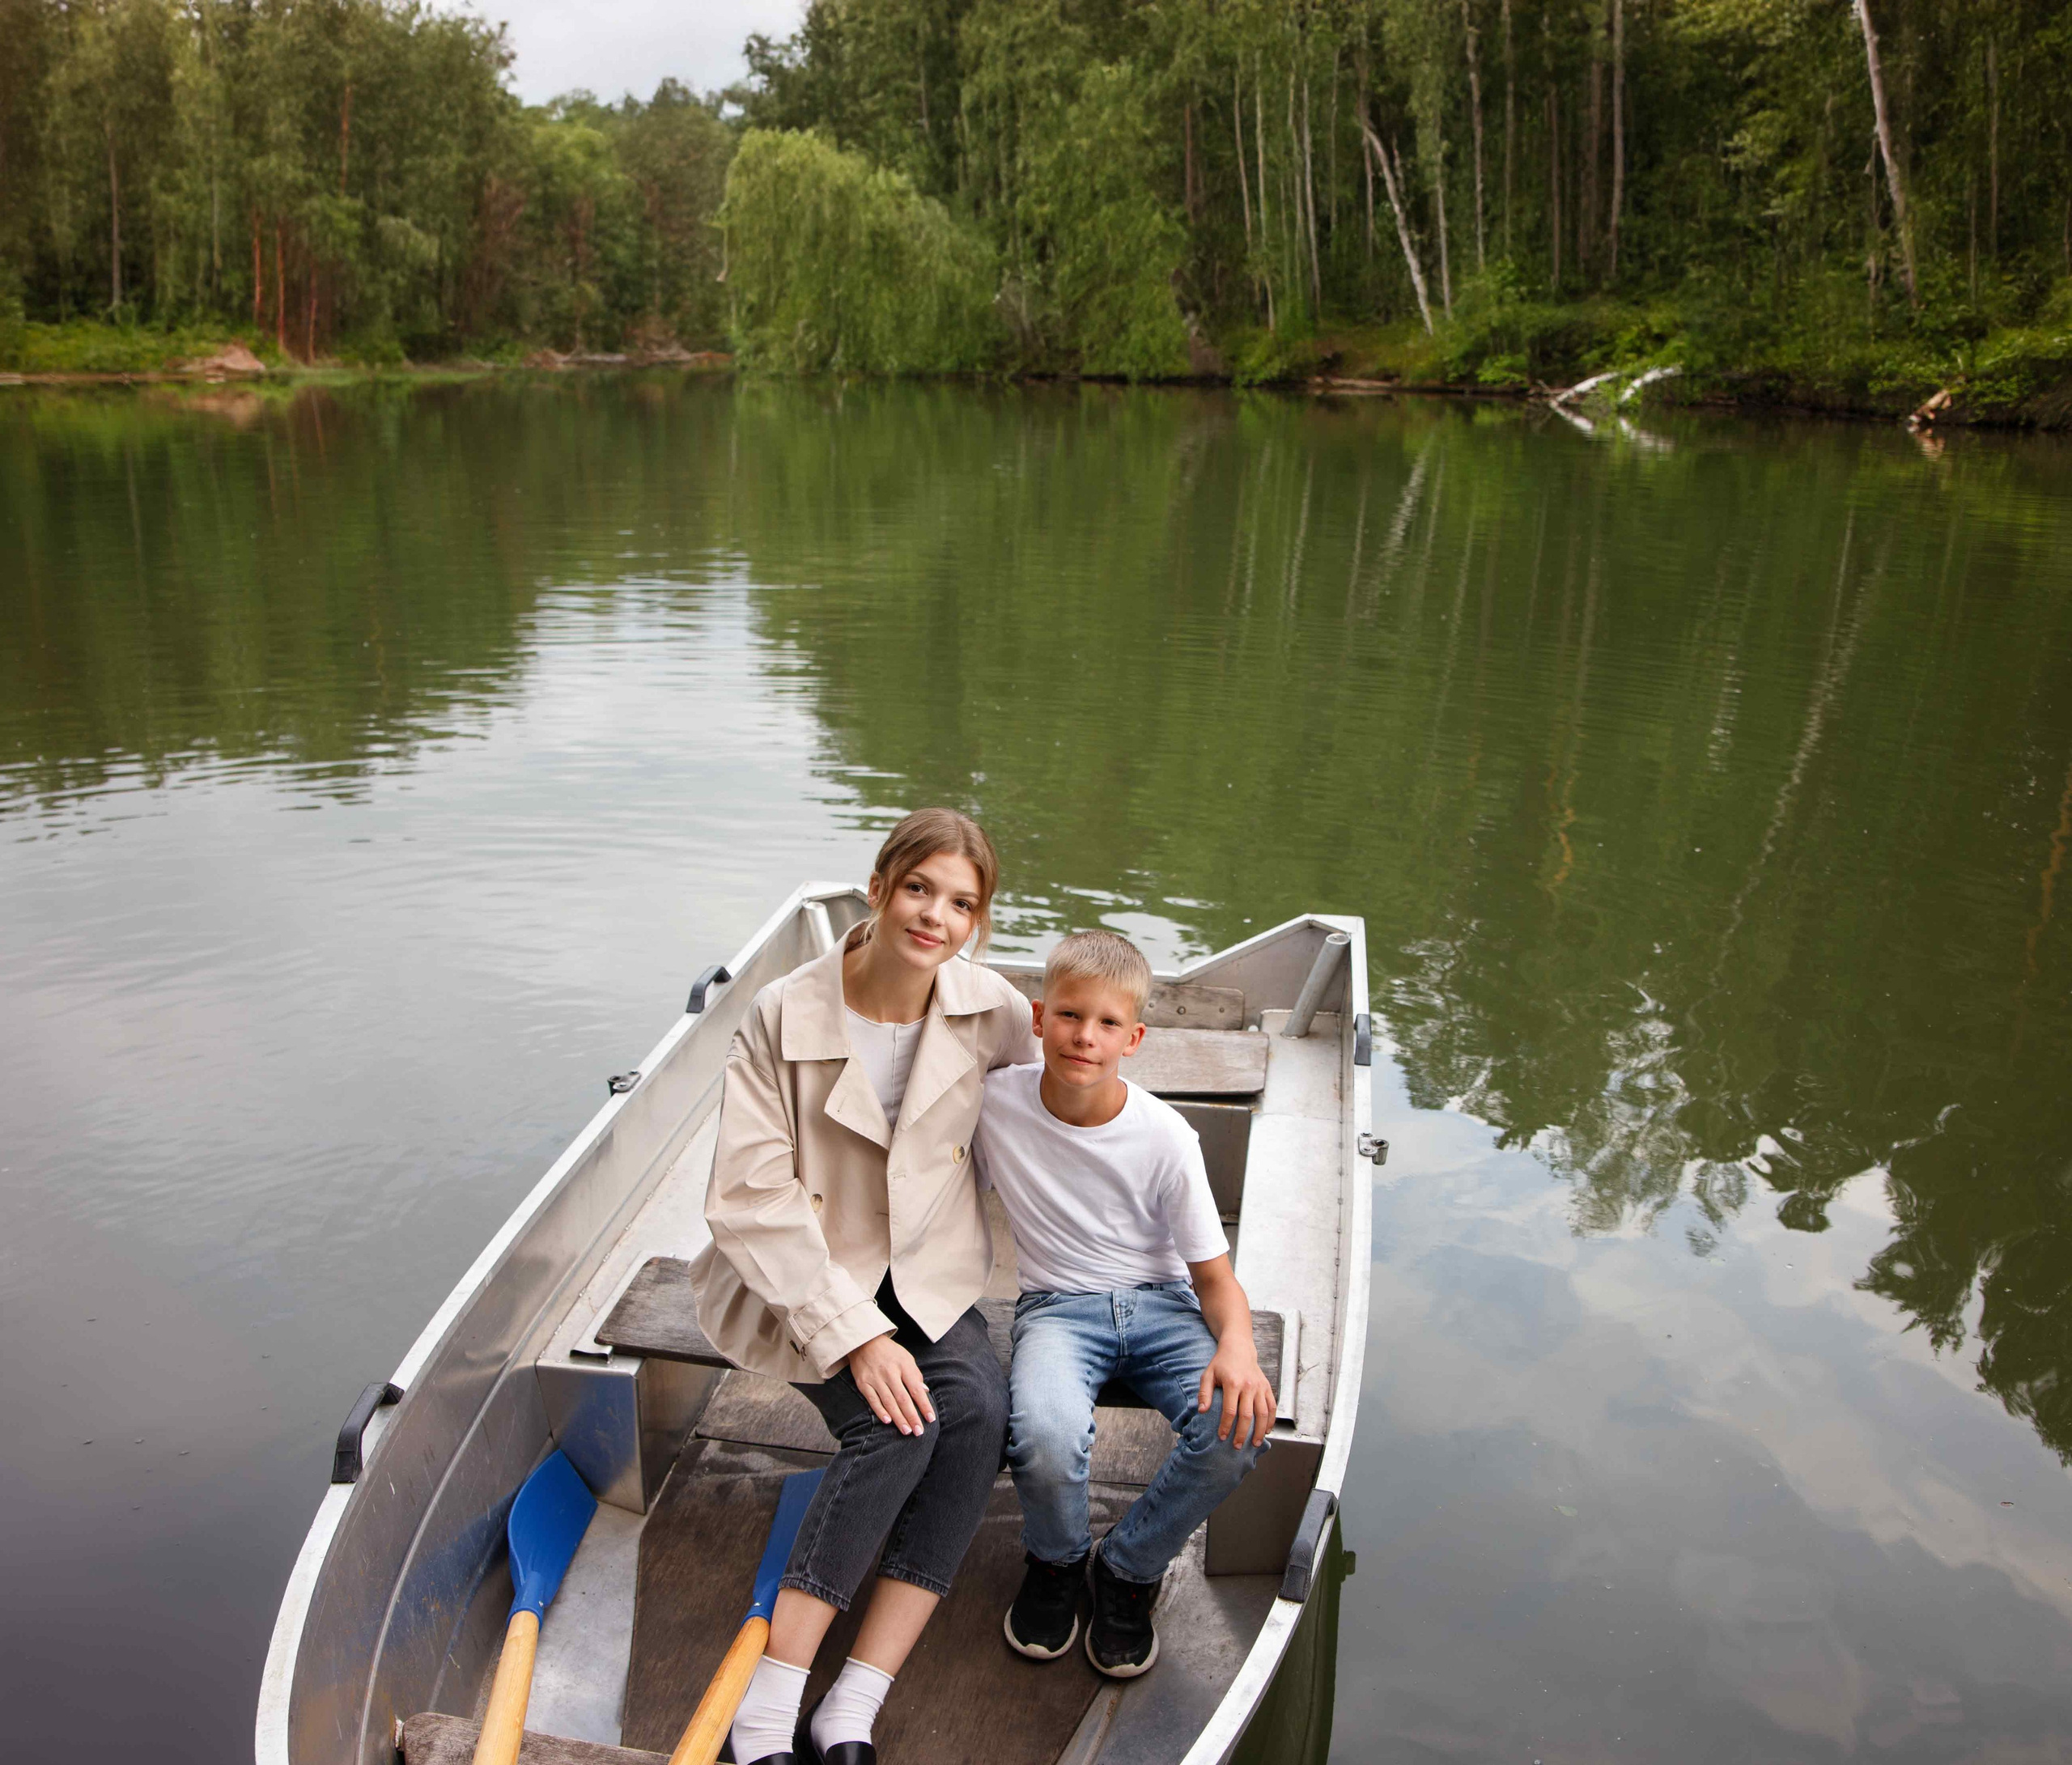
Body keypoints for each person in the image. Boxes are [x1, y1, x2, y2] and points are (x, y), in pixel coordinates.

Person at [689, 808, 1037, 1765]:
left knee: (976, 1413)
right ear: (879, 888)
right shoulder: (782, 1013)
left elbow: (1054, 1128)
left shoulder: (995, 1012)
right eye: (919, 888)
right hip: (794, 1276)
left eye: (962, 903)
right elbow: (750, 1198)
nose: (936, 916)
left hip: (923, 1274)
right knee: (895, 1422)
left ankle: (855, 1699)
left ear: (978, 922)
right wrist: (855, 1333)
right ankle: (770, 1700)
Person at [974, 929, 1276, 1679]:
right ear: (1040, 1017)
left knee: (1238, 1429)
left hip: (1163, 1305)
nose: (1086, 1036)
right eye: (1071, 1015)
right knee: (1042, 1435)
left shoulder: (1166, 1136)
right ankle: (1056, 1563)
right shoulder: (991, 1103)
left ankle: (1129, 1568)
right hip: (1056, 1308)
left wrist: (1236, 1346)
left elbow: (1212, 1276)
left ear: (1133, 1037)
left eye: (1108, 1023)